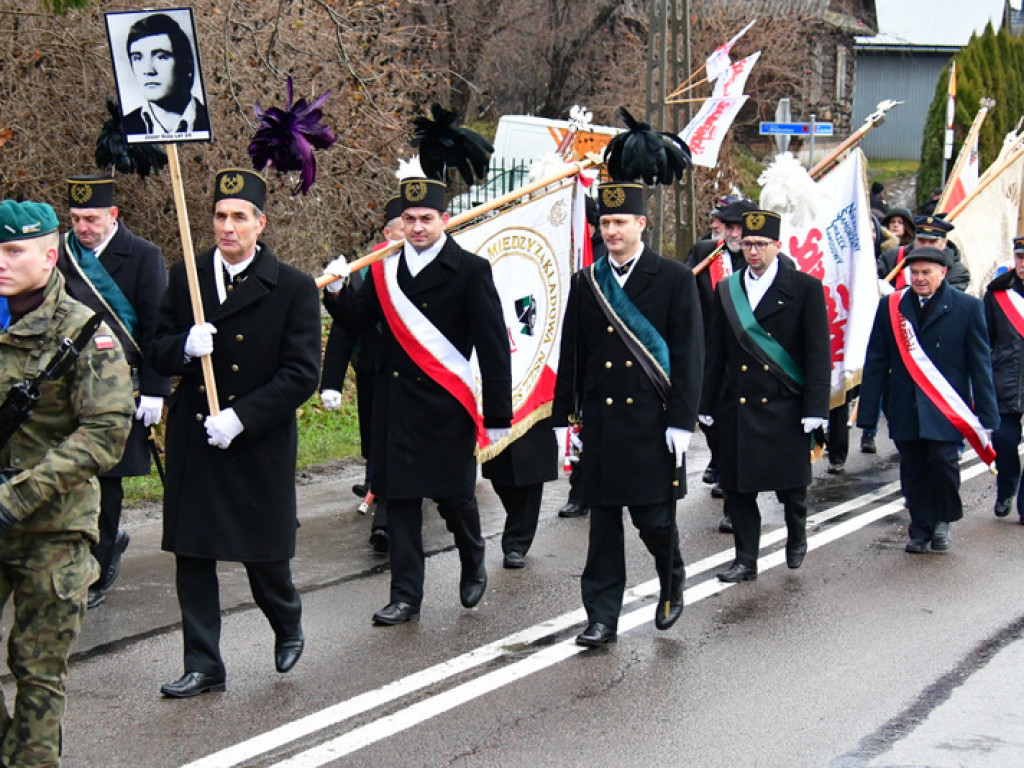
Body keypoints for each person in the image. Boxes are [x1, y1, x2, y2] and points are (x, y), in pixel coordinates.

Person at [150, 169, 321, 697]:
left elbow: (301, 373)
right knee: (194, 555)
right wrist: (183, 346)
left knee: (263, 556)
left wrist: (241, 416)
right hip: (197, 437)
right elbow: (153, 347)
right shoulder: (187, 277)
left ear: (260, 223)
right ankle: (204, 664)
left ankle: (286, 619)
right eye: (220, 216)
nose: (228, 227)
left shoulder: (291, 285)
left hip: (256, 440)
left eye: (239, 217)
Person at [323, 175, 512, 626]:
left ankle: (472, 554)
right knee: (401, 502)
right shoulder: (384, 270)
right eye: (409, 219)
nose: (418, 227)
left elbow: (492, 345)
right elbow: (356, 318)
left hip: (447, 406)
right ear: (400, 223)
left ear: (444, 220)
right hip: (397, 406)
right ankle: (405, 595)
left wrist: (499, 413)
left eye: (427, 219)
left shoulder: (470, 270)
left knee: (454, 498)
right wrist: (336, 290)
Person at [0, 199, 133, 764]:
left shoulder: (83, 333)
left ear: (49, 254)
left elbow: (105, 432)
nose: (0, 263)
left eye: (12, 250)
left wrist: (20, 493)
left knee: (37, 670)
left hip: (52, 529)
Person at [551, 181, 703, 647]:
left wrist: (682, 420)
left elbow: (689, 353)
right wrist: (563, 419)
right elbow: (572, 354)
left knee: (653, 520)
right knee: (602, 527)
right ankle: (601, 617)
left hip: (652, 423)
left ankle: (671, 577)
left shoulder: (674, 279)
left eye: (621, 222)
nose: (612, 230)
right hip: (600, 421)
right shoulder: (587, 281)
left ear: (641, 224)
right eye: (605, 223)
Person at [58, 174, 170, 609]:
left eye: (90, 219)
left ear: (113, 215)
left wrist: (156, 391)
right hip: (67, 386)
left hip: (123, 386)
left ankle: (99, 565)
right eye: (74, 219)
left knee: (107, 481)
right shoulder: (62, 254)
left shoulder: (143, 256)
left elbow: (157, 327)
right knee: (70, 477)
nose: (82, 228)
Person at [701, 209, 831, 583]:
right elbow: (717, 351)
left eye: (760, 244)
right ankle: (745, 559)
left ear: (777, 245)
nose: (752, 251)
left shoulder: (804, 287)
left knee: (791, 486)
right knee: (738, 490)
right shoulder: (727, 289)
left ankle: (797, 533)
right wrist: (707, 403)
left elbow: (816, 353)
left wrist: (816, 408)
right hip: (738, 405)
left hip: (784, 406)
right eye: (746, 244)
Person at [857, 246, 997, 553]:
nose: (919, 279)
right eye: (914, 273)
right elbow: (877, 359)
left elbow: (979, 365)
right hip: (905, 404)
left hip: (946, 407)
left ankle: (942, 520)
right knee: (914, 468)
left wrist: (987, 416)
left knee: (942, 462)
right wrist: (866, 414)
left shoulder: (967, 307)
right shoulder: (892, 306)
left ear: (943, 273)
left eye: (926, 273)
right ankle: (919, 529)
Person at [320, 196, 401, 553]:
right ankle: (378, 493)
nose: (412, 231)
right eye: (403, 225)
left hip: (419, 376)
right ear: (387, 232)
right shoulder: (368, 270)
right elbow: (345, 330)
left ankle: (389, 505)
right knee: (377, 438)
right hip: (374, 369)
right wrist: (331, 383)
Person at [686, 199, 758, 516]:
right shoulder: (705, 253)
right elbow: (686, 294)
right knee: (710, 421)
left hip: (748, 360)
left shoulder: (763, 261)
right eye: (728, 226)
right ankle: (719, 460)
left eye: (738, 226)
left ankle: (734, 497)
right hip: (708, 355)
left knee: (738, 429)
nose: (733, 233)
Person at [482, 418, 558, 569]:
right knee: (500, 472)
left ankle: (516, 543)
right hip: (497, 406)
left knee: (530, 471)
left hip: (534, 404)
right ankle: (520, 521)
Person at [984, 236, 1024, 522]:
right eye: (1020, 257)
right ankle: (1007, 484)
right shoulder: (998, 294)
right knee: (1005, 442)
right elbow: (984, 339)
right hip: (1005, 380)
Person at [121, 12, 210, 139]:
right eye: (137, 58)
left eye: (161, 57)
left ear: (186, 64)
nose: (148, 70)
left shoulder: (211, 119)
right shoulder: (123, 128)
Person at [877, 215, 969, 292]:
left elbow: (947, 301)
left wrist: (895, 295)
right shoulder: (892, 256)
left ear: (944, 242)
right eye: (921, 240)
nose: (926, 246)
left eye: (932, 242)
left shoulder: (957, 271)